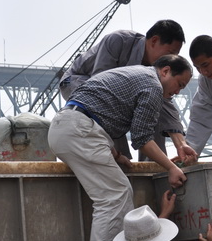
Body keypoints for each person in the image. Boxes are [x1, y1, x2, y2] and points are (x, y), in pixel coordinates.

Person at [48, 54, 195, 241]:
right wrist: (171, 168)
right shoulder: (153, 85)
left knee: (111, 192)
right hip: (80, 131)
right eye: (180, 84)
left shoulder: (136, 74)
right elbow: (142, 138)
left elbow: (99, 111)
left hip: (67, 126)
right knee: (115, 194)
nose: (177, 92)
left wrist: (116, 155)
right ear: (165, 71)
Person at [59, 20, 195, 161]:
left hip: (110, 94)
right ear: (154, 41)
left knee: (152, 109)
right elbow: (101, 87)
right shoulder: (118, 41)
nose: (171, 59)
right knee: (113, 113)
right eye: (170, 52)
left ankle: (154, 165)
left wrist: (181, 144)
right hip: (79, 82)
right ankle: (120, 161)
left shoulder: (159, 73)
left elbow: (165, 103)